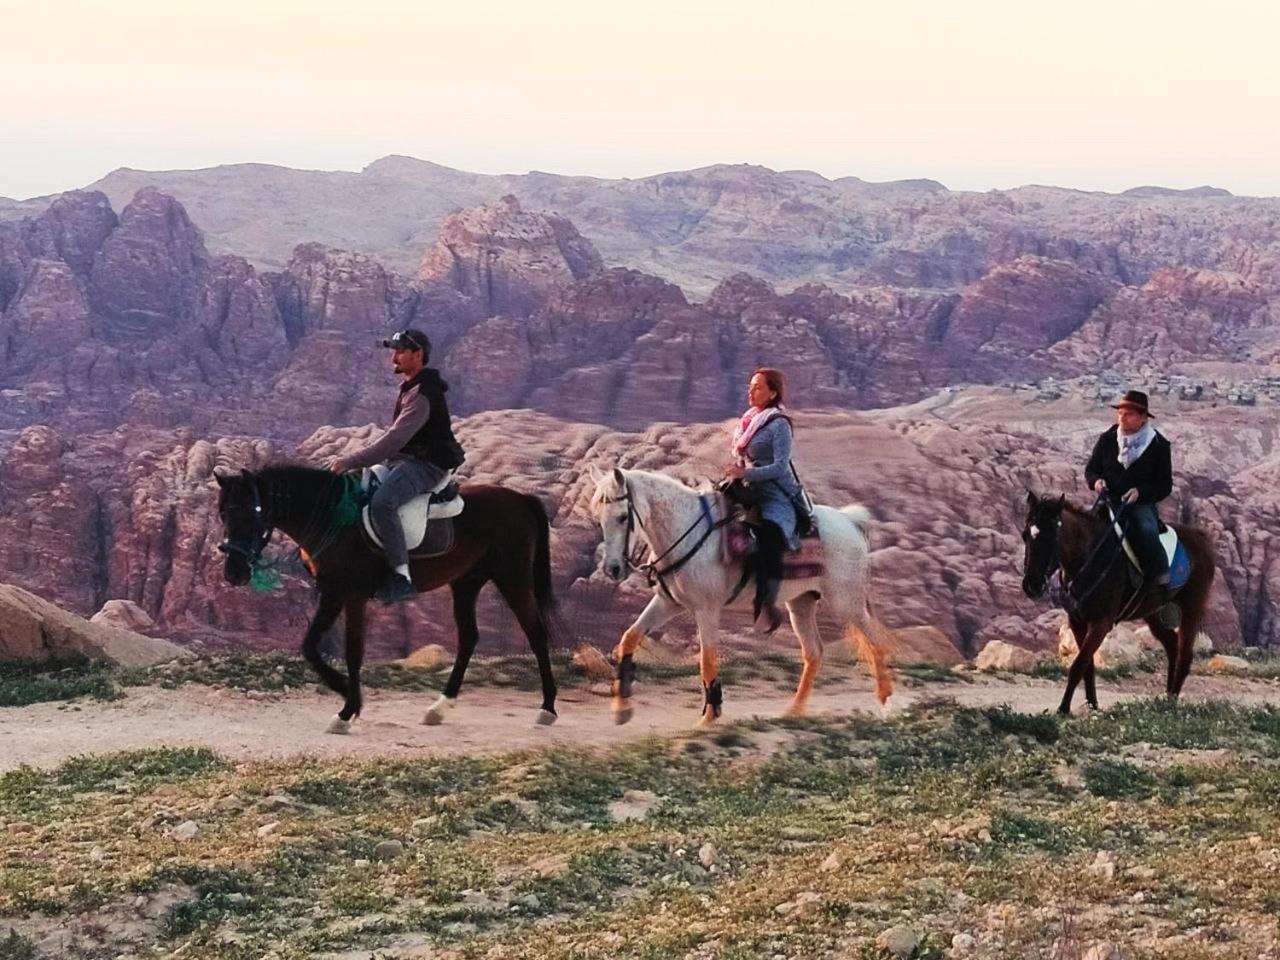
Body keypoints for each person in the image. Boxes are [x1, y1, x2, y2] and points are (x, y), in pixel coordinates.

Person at [328, 329, 465, 602]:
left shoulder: (423, 394)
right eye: (394, 350)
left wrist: (352, 460)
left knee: (382, 503)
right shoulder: (412, 387)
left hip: (427, 465)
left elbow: (394, 440)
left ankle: (401, 577)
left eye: (401, 351)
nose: (394, 357)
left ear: (418, 355)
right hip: (407, 460)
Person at [723, 367, 808, 634]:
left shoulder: (779, 424)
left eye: (757, 387)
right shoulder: (749, 421)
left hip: (775, 495)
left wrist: (746, 472)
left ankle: (766, 606)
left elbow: (781, 468)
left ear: (772, 392)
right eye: (750, 386)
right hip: (749, 488)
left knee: (770, 538)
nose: (751, 391)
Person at [1083, 389, 1177, 623]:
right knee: (1085, 534)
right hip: (1109, 501)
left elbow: (1164, 485)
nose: (1121, 419)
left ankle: (1159, 583)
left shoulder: (1158, 445)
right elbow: (1091, 469)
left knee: (1146, 530)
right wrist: (1096, 482)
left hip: (1139, 505)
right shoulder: (1107, 439)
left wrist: (1141, 492)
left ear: (1143, 418)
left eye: (1128, 414)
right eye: (1120, 414)